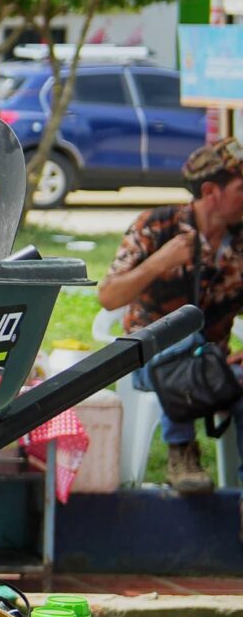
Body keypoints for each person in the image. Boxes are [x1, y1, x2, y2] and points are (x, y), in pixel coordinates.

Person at [93, 137, 243, 493]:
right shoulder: (158, 226)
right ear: (211, 191)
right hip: (146, 358)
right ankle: (182, 453)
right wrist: (159, 262)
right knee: (181, 336)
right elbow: (109, 296)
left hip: (210, 365)